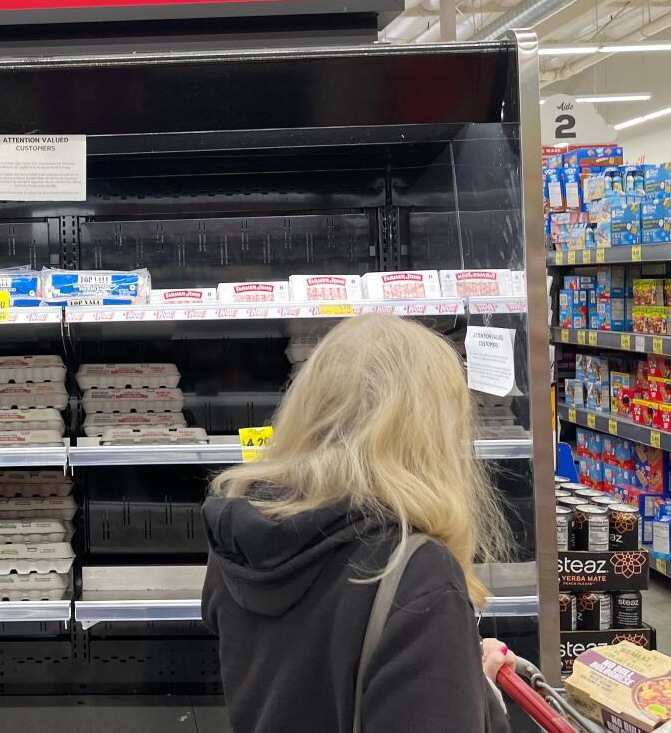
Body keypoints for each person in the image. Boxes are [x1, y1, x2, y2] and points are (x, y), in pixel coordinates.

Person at [203, 313, 517, 732]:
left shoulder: (239, 537)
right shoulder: (415, 569)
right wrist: (479, 694)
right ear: (430, 431)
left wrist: (455, 665)